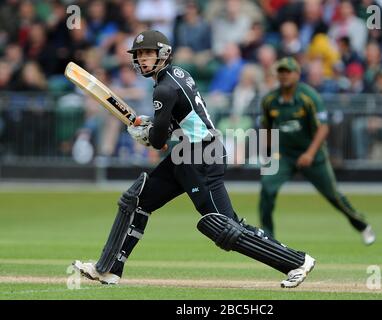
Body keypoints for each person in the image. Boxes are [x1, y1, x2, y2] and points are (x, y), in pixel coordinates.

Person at [73, 30, 315, 288]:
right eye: (139, 54)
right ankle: (108, 268)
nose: (142, 59)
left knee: (224, 227)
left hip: (201, 157)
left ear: (163, 54)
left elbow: (158, 141)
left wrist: (145, 134)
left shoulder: (164, 89)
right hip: (186, 153)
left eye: (148, 54)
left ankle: (296, 261)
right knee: (136, 201)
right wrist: (151, 127)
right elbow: (177, 122)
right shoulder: (178, 74)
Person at [259, 57, 376, 245]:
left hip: (313, 155)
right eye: (281, 72)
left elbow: (323, 128)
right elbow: (266, 126)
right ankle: (267, 236)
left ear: (297, 74)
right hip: (285, 155)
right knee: (267, 187)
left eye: (288, 71)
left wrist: (310, 154)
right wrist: (269, 153)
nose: (284, 75)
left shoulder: (309, 97)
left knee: (334, 196)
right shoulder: (269, 100)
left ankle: (362, 225)